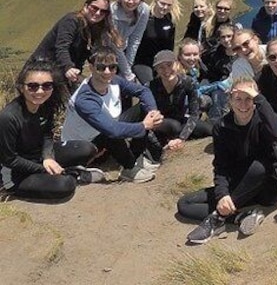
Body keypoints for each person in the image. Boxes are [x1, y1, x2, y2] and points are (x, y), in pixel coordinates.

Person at [177, 77, 277, 244]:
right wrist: (222, 195)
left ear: (256, 99)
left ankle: (216, 220)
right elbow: (221, 166)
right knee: (185, 204)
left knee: (259, 167)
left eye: (248, 98)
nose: (243, 104)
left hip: (267, 187)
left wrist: (258, 98)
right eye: (238, 99)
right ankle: (240, 216)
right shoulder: (222, 126)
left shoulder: (263, 119)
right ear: (230, 100)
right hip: (240, 186)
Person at [0, 59, 104, 201]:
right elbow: (9, 159)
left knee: (87, 148)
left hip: (38, 156)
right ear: (21, 87)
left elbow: (48, 135)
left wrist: (48, 157)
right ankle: (73, 174)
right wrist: (43, 169)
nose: (40, 91)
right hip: (15, 172)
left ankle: (61, 172)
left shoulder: (45, 105)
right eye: (33, 86)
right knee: (65, 185)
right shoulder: (9, 117)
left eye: (47, 86)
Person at [61, 48, 163, 183]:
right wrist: (144, 125)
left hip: (104, 128)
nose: (107, 72)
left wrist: (153, 112)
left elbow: (143, 91)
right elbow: (112, 130)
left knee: (143, 109)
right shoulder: (85, 99)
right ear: (91, 68)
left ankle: (135, 158)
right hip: (81, 147)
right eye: (101, 68)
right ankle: (129, 167)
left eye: (112, 67)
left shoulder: (114, 80)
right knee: (110, 133)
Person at [30, 0, 128, 86]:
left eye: (103, 11)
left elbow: (93, 54)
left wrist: (108, 69)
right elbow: (62, 47)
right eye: (94, 8)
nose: (98, 13)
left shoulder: (96, 29)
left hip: (69, 74)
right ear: (86, 6)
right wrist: (68, 67)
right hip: (42, 70)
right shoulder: (71, 21)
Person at [147, 50, 213, 163]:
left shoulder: (187, 82)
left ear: (177, 64)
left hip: (181, 120)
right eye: (161, 67)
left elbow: (194, 114)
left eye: (169, 65)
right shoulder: (151, 86)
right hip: (160, 123)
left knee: (209, 129)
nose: (167, 70)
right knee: (174, 126)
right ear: (156, 70)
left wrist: (181, 138)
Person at [133, 0, 181, 85]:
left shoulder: (170, 21)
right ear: (156, 1)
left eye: (168, 5)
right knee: (150, 86)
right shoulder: (144, 18)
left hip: (160, 63)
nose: (165, 7)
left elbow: (169, 47)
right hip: (142, 62)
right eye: (162, 3)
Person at [110, 0, 150, 79]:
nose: (131, 2)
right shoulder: (111, 10)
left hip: (123, 50)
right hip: (106, 50)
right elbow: (115, 44)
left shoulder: (144, 10)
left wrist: (127, 68)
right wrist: (127, 73)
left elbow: (135, 40)